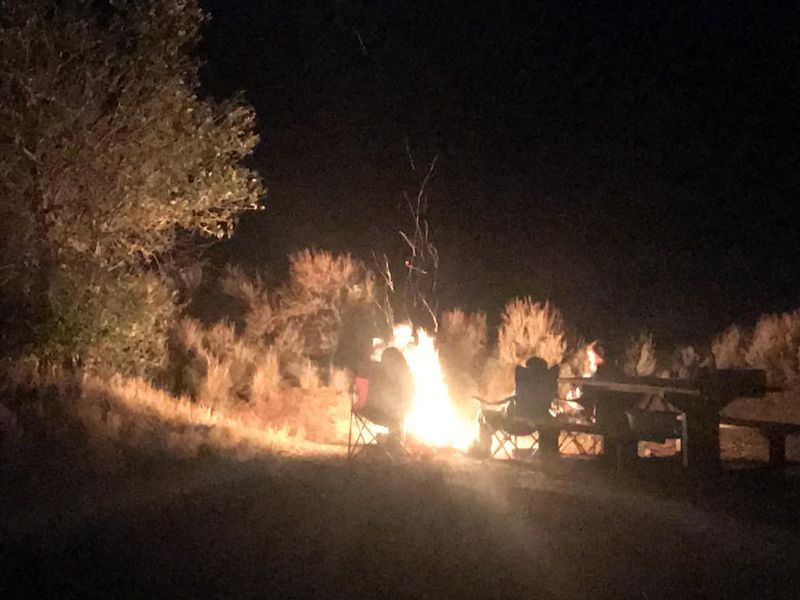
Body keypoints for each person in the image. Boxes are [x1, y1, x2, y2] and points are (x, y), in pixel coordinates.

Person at [471, 356, 559, 458]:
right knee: (551, 423)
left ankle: (483, 450)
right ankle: (547, 456)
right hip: (536, 425)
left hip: (514, 423)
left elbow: (515, 399)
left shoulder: (524, 378)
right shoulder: (548, 383)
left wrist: (499, 405)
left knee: (483, 414)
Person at [357, 347, 414, 440]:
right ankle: (393, 443)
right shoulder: (376, 370)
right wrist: (361, 400)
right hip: (381, 412)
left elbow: (361, 377)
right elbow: (361, 377)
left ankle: (393, 442)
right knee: (396, 421)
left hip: (389, 413)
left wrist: (361, 401)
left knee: (396, 419)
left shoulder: (404, 377)